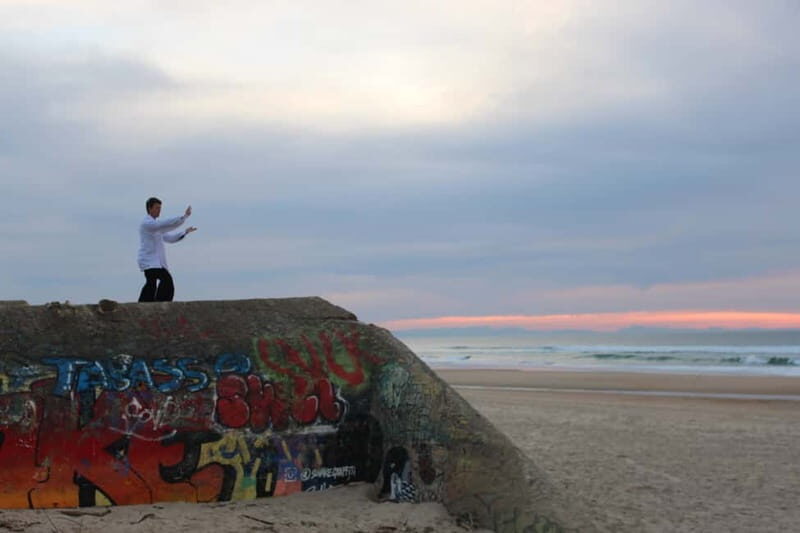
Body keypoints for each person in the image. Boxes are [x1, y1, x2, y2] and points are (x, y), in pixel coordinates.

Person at [137, 197, 197, 302]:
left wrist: (185, 232)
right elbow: (165, 224)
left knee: (152, 283)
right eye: (157, 208)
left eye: (160, 208)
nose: (159, 210)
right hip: (148, 260)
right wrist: (184, 217)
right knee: (165, 280)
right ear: (150, 209)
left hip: (155, 262)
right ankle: (159, 303)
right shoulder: (147, 224)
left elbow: (170, 238)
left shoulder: (156, 227)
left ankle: (146, 303)